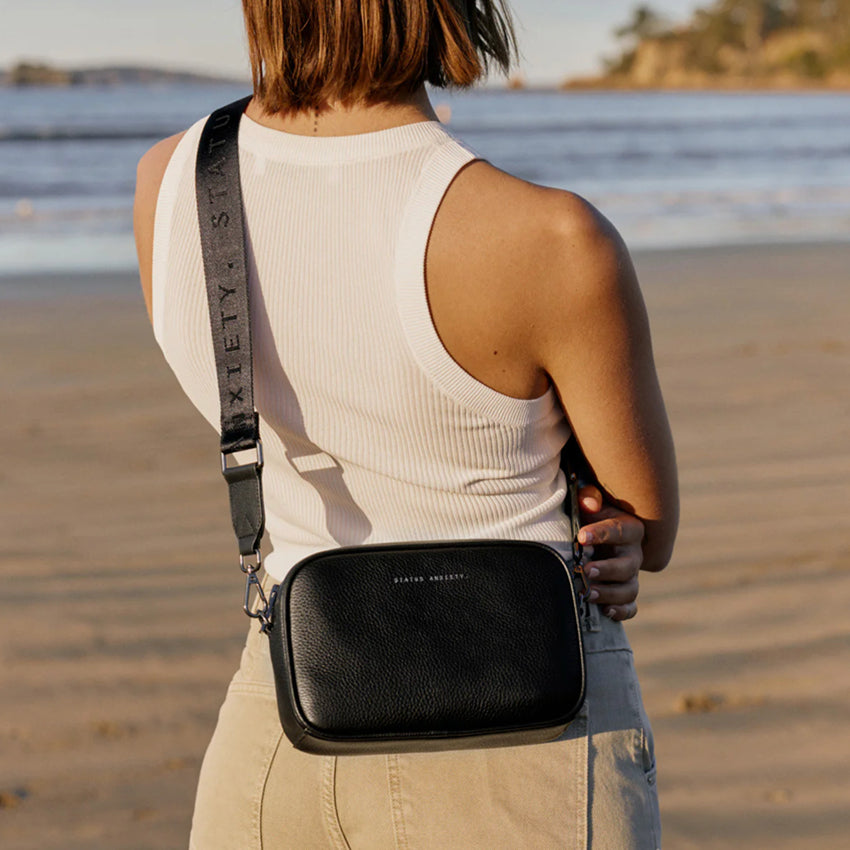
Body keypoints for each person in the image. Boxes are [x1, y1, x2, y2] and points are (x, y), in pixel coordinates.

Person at [134, 1, 678, 847]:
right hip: (522, 737)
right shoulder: (552, 238)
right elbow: (647, 522)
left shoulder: (169, 185)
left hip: (279, 732)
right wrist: (619, 529)